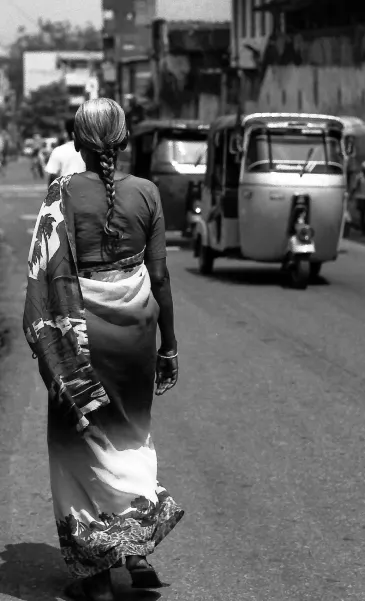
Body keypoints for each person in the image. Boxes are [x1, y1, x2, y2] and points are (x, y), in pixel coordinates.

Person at [23, 98, 183, 601]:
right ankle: (133, 551)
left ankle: (95, 578)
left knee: (78, 445)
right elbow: (158, 276)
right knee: (131, 437)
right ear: (125, 141)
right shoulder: (148, 194)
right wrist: (169, 346)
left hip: (80, 338)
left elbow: (43, 272)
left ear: (77, 144)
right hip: (137, 332)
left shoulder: (62, 195)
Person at [45, 118, 86, 186]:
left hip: (66, 193)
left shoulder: (58, 151)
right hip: (88, 192)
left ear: (66, 132)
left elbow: (53, 176)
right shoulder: (91, 151)